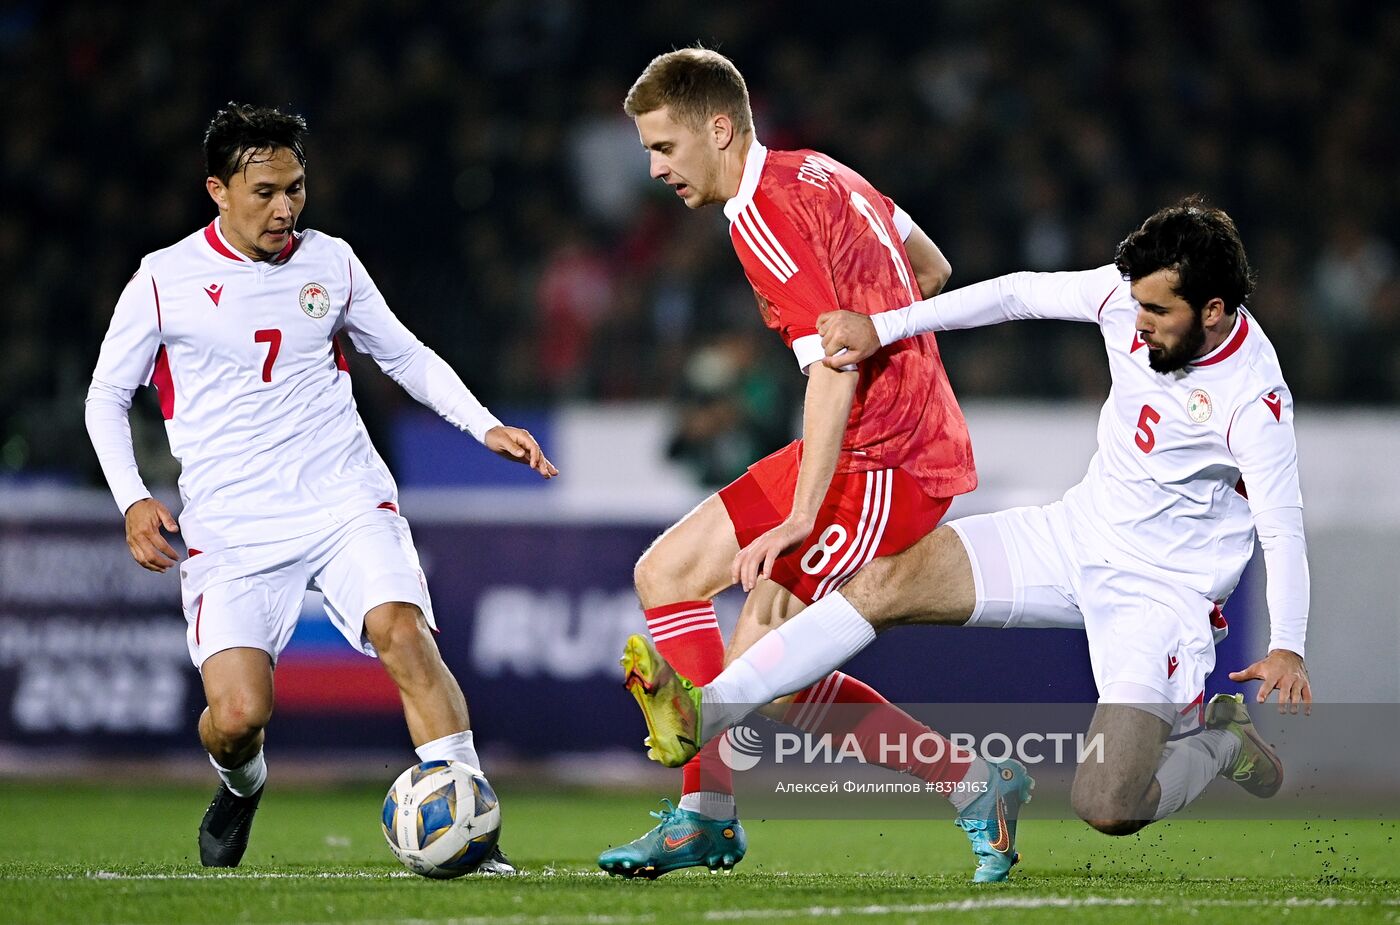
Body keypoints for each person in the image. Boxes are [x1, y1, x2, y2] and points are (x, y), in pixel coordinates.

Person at [624, 199, 1312, 852]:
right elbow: (1015, 292)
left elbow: (1282, 530)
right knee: (889, 578)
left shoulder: (1254, 400)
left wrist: (1288, 646)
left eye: (1158, 312)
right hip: (1073, 534)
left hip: (1160, 593)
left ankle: (1221, 738)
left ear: (1214, 310)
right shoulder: (1122, 295)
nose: (1138, 323)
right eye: (1136, 303)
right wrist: (885, 326)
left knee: (1108, 802)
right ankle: (710, 708)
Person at [84, 103, 557, 871]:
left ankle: (475, 836)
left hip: (342, 495)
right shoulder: (164, 280)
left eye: (296, 189)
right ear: (217, 189)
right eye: (266, 191)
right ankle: (241, 784)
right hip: (231, 524)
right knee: (237, 717)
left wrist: (483, 424)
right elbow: (106, 396)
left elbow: (405, 354)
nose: (285, 208)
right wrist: (133, 497)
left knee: (403, 631)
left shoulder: (330, 261)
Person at [601, 48, 1032, 883]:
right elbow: (932, 266)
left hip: (891, 457)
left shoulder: (764, 215)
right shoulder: (820, 169)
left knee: (770, 656)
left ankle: (975, 783)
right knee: (668, 574)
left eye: (663, 147)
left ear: (718, 128)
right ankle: (709, 815)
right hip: (862, 441)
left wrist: (801, 515)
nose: (654, 169)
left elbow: (831, 366)